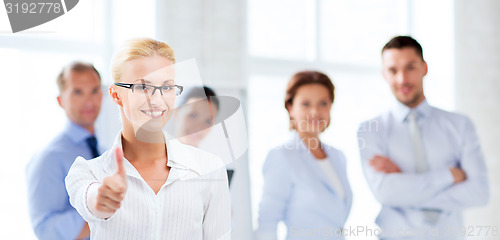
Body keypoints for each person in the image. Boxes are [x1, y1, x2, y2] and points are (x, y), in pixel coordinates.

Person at [65, 38, 231, 239]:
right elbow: (91, 198)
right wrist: (101, 200)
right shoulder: (89, 172)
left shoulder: (209, 169)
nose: (157, 100)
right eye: (143, 87)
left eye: (167, 87)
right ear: (116, 95)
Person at [357, 36, 489, 240]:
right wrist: (448, 177)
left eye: (410, 67)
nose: (402, 79)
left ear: (424, 68)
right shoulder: (371, 130)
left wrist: (405, 187)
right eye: (393, 70)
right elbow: (386, 194)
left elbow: (479, 193)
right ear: (384, 74)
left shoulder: (460, 125)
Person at [256, 71, 353, 240]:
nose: (315, 111)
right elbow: (267, 223)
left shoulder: (338, 157)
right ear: (290, 108)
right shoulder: (282, 157)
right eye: (306, 104)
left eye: (323, 103)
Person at [26, 62, 103, 240]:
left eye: (94, 90)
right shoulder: (48, 158)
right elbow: (46, 231)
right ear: (61, 100)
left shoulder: (107, 153)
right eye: (78, 92)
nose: (89, 101)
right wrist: (100, 211)